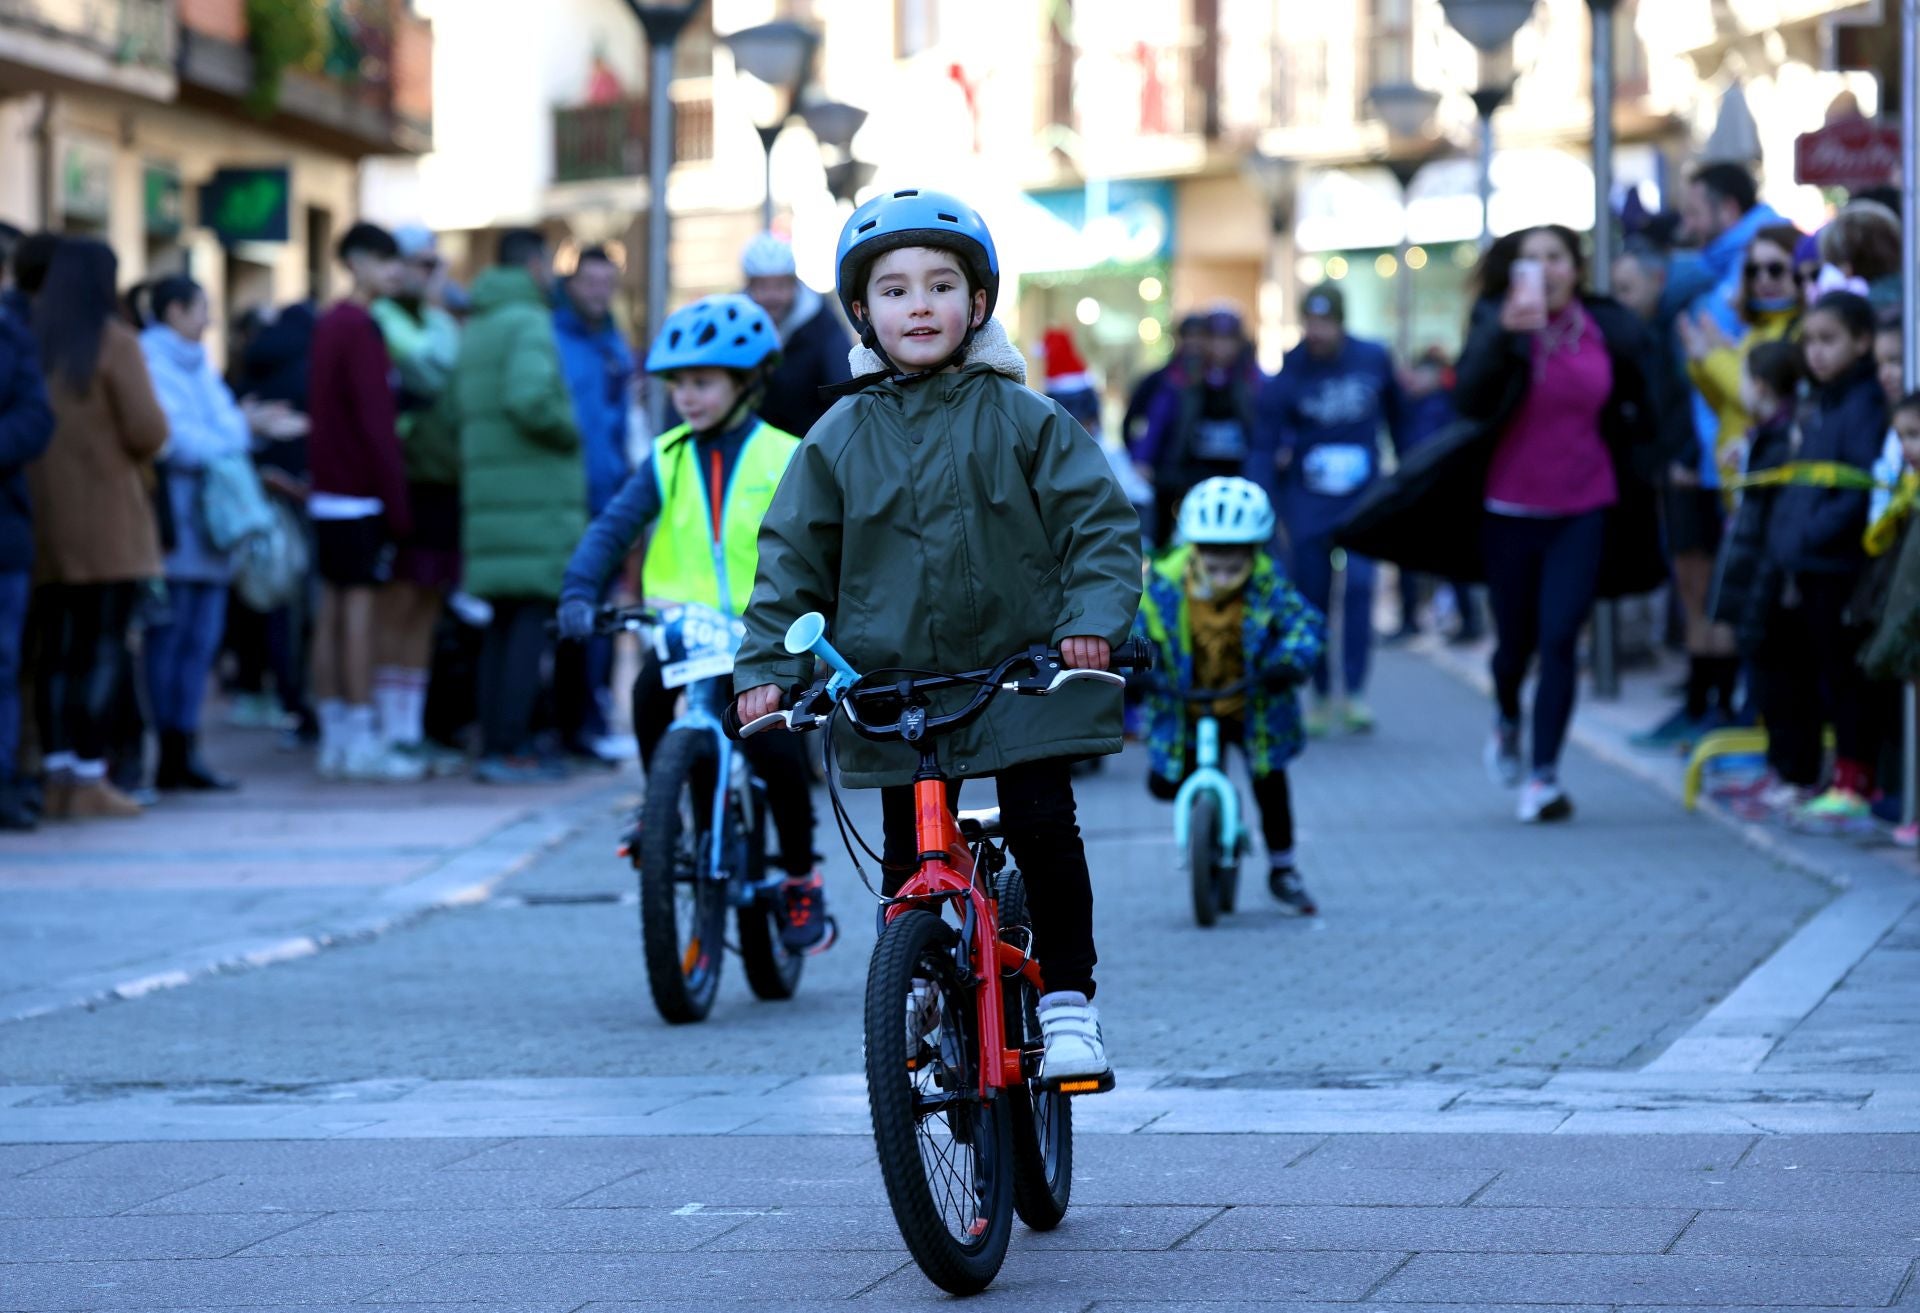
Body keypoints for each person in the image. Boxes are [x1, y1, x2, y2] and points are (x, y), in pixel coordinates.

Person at [732, 189, 1142, 1085]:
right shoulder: (837, 435)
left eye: (941, 285)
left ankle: (1070, 1002)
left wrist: (1089, 626)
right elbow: (789, 558)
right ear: (861, 314)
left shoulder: (1023, 417)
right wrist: (766, 666)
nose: (919, 305)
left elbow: (1100, 528)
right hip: (893, 683)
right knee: (907, 844)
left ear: (979, 305)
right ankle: (916, 984)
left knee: (1042, 821)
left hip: (1022, 672)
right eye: (894, 290)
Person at [1353, 226, 1662, 823]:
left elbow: (1640, 403)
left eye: (1556, 258)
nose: (1545, 270)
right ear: (1513, 271)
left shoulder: (1607, 327)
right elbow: (1467, 401)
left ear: (1575, 269)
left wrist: (1652, 460)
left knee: (1560, 637)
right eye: (1531, 260)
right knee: (1513, 648)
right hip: (1508, 509)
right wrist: (1504, 335)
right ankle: (1506, 719)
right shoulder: (1495, 321)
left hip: (1584, 505)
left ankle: (1544, 776)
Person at [558, 293, 828, 949]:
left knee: (774, 743)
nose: (686, 396)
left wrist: (828, 609)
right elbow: (612, 528)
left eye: (702, 382)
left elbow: (828, 542)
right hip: (685, 632)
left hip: (764, 635)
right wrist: (577, 590)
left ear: (748, 381)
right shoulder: (668, 457)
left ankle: (799, 874)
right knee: (649, 696)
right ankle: (665, 814)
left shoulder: (785, 455)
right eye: (678, 383)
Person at [1637, 224, 1805, 751]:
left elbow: (1760, 402)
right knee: (1741, 618)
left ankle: (1770, 742)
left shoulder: (1800, 333)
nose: (1764, 280)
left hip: (1779, 500)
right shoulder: (1755, 332)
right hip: (1742, 493)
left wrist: (1713, 357)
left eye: (1776, 268)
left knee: (1769, 631)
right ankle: (1743, 726)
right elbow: (1731, 404)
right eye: (1754, 270)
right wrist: (1702, 361)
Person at [1133, 478, 1326, 913]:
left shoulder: (1269, 585)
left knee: (1269, 781)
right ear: (1194, 551)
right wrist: (1135, 671)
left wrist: (1290, 662)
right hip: (1184, 698)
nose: (1222, 577)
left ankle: (1283, 868)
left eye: (1233, 567)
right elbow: (1135, 630)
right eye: (1212, 565)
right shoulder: (1163, 585)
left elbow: (1305, 625)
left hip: (1251, 701)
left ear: (1255, 553)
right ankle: (1205, 819)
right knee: (1166, 781)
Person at [26, 238, 168, 819]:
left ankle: (54, 773)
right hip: (109, 522)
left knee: (52, 654)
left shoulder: (27, 340)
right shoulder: (114, 343)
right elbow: (150, 430)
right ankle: (90, 778)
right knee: (103, 650)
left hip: (42, 519)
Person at [455, 227, 584, 783]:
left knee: (502, 628)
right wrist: (569, 430)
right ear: (535, 265)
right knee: (527, 628)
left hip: (494, 501)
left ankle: (496, 742)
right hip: (531, 503)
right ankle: (510, 749)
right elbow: (529, 397)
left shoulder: (480, 322)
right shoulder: (528, 321)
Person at [1757, 291, 1889, 831]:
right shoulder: (1823, 400)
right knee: (1815, 674)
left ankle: (1855, 781)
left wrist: (1810, 534)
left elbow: (1857, 489)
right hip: (1808, 563)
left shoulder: (1862, 405)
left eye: (1828, 340)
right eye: (1809, 341)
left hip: (1837, 566)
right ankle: (1830, 777)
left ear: (1862, 342)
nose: (1816, 352)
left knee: (1847, 678)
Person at [1250, 285, 1402, 733]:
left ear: (1341, 321)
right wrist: (1267, 505)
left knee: (1359, 588)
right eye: (1310, 323)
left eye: (1326, 323)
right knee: (1311, 599)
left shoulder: (1373, 359)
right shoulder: (1288, 373)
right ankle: (1318, 694)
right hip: (1308, 505)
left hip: (1363, 502)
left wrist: (1406, 478)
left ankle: (1354, 693)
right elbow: (1263, 444)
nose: (1317, 332)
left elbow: (1402, 419)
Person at [307, 222, 420, 783]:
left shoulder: (329, 322)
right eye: (385, 260)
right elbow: (378, 425)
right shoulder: (360, 327)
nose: (395, 271)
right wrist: (396, 503)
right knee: (357, 616)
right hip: (359, 496)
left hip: (327, 493)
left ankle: (334, 736)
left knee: (330, 612)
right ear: (356, 261)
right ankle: (358, 738)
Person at [138, 276, 253, 792]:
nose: (208, 321)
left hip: (216, 525)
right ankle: (167, 748)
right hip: (174, 525)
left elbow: (234, 429)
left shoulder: (199, 365)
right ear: (175, 311)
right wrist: (225, 443)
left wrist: (225, 441)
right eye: (202, 309)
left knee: (201, 641)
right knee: (170, 640)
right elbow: (176, 439)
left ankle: (187, 745)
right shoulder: (149, 359)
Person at [370, 224, 464, 774]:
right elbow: (430, 366)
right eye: (419, 264)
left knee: (426, 607)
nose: (430, 274)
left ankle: (408, 730)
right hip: (405, 481)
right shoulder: (382, 319)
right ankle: (386, 730)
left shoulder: (434, 319)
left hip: (442, 479)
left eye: (435, 265)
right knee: (395, 608)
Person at [1708, 341, 1810, 820]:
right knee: (1769, 681)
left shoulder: (1784, 438)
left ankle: (1794, 773)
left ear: (1761, 385)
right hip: (1759, 576)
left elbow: (1771, 520)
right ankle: (1779, 768)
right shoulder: (1766, 437)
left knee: (1783, 683)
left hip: (1771, 581)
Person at [550, 244, 634, 763]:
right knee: (572, 614)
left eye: (607, 283)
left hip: (609, 495)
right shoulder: (553, 338)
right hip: (564, 498)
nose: (599, 292)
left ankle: (591, 722)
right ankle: (569, 725)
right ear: (572, 283)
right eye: (590, 282)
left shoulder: (615, 342)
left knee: (603, 615)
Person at [0, 223, 55, 830]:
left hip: (5, 532)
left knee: (4, 663)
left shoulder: (12, 338)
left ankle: (4, 781)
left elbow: (35, 419)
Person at [1138, 307, 1264, 548]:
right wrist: (1143, 458)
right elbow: (1158, 420)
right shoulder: (1182, 378)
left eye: (1227, 339)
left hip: (1240, 473)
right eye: (1214, 338)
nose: (1220, 347)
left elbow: (1270, 420)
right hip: (1188, 474)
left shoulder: (1252, 379)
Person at [740, 231, 851, 437]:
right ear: (748, 287)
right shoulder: (734, 323)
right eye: (762, 286)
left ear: (795, 283)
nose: (772, 295)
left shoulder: (820, 320)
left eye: (780, 285)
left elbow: (842, 382)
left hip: (812, 440)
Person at [1123, 312, 1205, 457]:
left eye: (1200, 336)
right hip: (1160, 471)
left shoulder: (1217, 384)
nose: (1194, 342)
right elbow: (1131, 421)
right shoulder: (1157, 381)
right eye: (1188, 335)